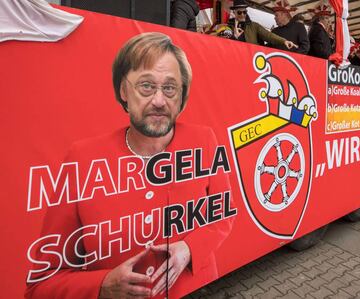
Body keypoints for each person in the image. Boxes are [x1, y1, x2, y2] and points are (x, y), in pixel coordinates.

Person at [25, 32, 235, 299]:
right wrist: (101, 285)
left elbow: (223, 212)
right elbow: (42, 284)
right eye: (146, 86)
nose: (159, 101)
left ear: (182, 95)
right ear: (123, 90)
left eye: (170, 88)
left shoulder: (203, 139)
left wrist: (189, 248)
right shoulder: (82, 158)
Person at [225, 0, 297, 50]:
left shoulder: (253, 26)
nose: (243, 14)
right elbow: (223, 45)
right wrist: (234, 38)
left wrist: (284, 41)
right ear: (234, 12)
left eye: (245, 12)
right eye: (240, 12)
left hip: (250, 60)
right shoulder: (228, 27)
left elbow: (268, 35)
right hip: (234, 60)